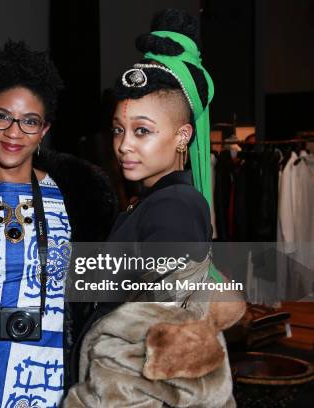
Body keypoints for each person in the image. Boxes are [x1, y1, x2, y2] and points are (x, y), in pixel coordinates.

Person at [65, 10, 244, 408]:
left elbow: (165, 352)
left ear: (183, 135)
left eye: (142, 131)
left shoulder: (173, 209)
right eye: (118, 129)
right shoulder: (150, 202)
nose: (124, 144)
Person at [0, 41, 117, 407]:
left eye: (29, 121)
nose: (14, 132)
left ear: (44, 129)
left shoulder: (79, 197)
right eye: (2, 117)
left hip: (56, 385)